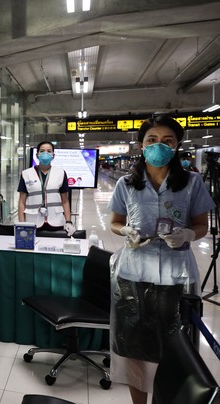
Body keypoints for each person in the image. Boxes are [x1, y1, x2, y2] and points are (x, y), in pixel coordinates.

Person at [108, 115, 215, 404]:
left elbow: (202, 225)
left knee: (175, 350)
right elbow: (115, 222)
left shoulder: (191, 182)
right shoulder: (126, 184)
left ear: (177, 145)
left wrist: (189, 236)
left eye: (167, 141)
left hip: (175, 277)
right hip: (132, 276)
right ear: (141, 145)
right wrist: (125, 231)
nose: (159, 146)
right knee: (134, 350)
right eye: (151, 140)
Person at [17, 141, 75, 236]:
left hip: (56, 220)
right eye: (42, 151)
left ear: (53, 155)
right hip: (32, 221)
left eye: (49, 151)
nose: (45, 154)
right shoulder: (26, 174)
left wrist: (68, 221)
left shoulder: (60, 173)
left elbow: (65, 200)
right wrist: (21, 223)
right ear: (37, 155)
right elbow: (21, 201)